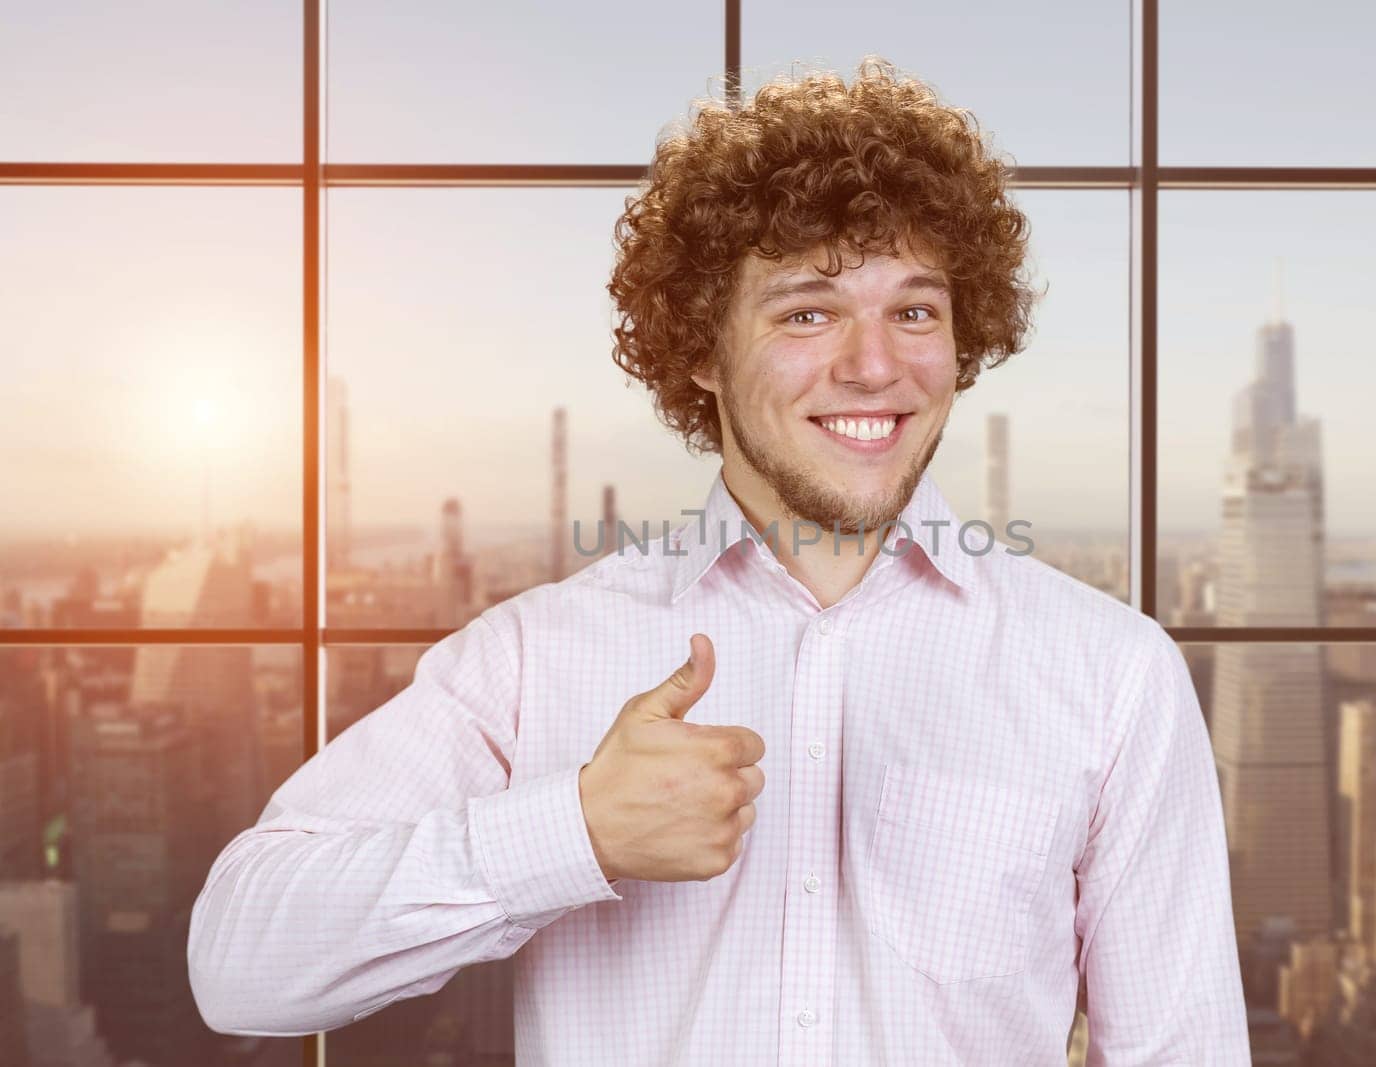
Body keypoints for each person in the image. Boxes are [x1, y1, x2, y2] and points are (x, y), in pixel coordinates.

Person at [188, 56, 1250, 1064]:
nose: (874, 365)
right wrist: (572, 829)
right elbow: (239, 962)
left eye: (914, 310)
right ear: (699, 349)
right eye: (806, 311)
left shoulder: (1109, 674)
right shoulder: (533, 658)